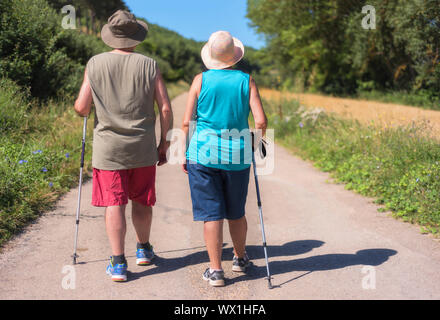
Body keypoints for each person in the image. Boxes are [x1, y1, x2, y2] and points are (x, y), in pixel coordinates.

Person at [74, 10, 173, 282]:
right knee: (141, 200)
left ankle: (118, 263)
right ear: (136, 38)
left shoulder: (94, 63)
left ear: (111, 36)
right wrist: (164, 142)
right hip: (142, 147)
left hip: (109, 149)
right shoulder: (149, 65)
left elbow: (82, 107)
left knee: (114, 203)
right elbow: (164, 108)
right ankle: (143, 250)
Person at [181, 31, 267, 287]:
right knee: (236, 212)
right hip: (237, 156)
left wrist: (185, 153)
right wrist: (254, 143)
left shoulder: (200, 80)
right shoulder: (247, 81)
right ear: (234, 57)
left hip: (202, 154)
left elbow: (187, 122)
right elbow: (260, 121)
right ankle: (240, 259)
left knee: (211, 214)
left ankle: (215, 271)